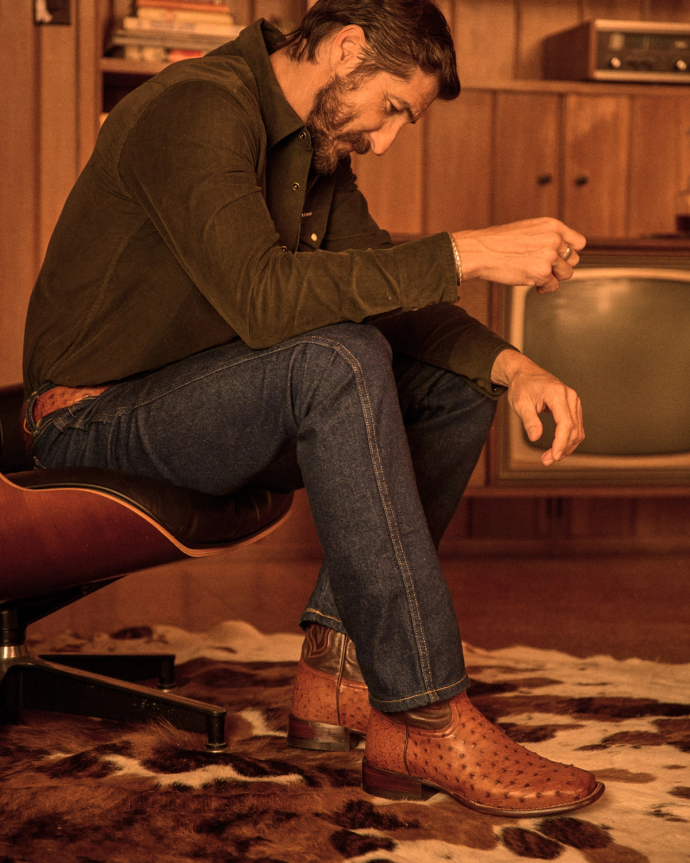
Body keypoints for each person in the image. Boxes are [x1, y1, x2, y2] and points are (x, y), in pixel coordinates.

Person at [22, 0, 602, 817]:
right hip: (90, 418)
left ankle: (341, 672)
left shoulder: (315, 153)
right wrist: (468, 249)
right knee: (336, 356)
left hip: (202, 402)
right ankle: (423, 709)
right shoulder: (197, 108)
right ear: (346, 48)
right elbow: (263, 301)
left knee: (450, 382)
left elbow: (389, 300)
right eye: (393, 107)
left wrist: (516, 367)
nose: (388, 137)